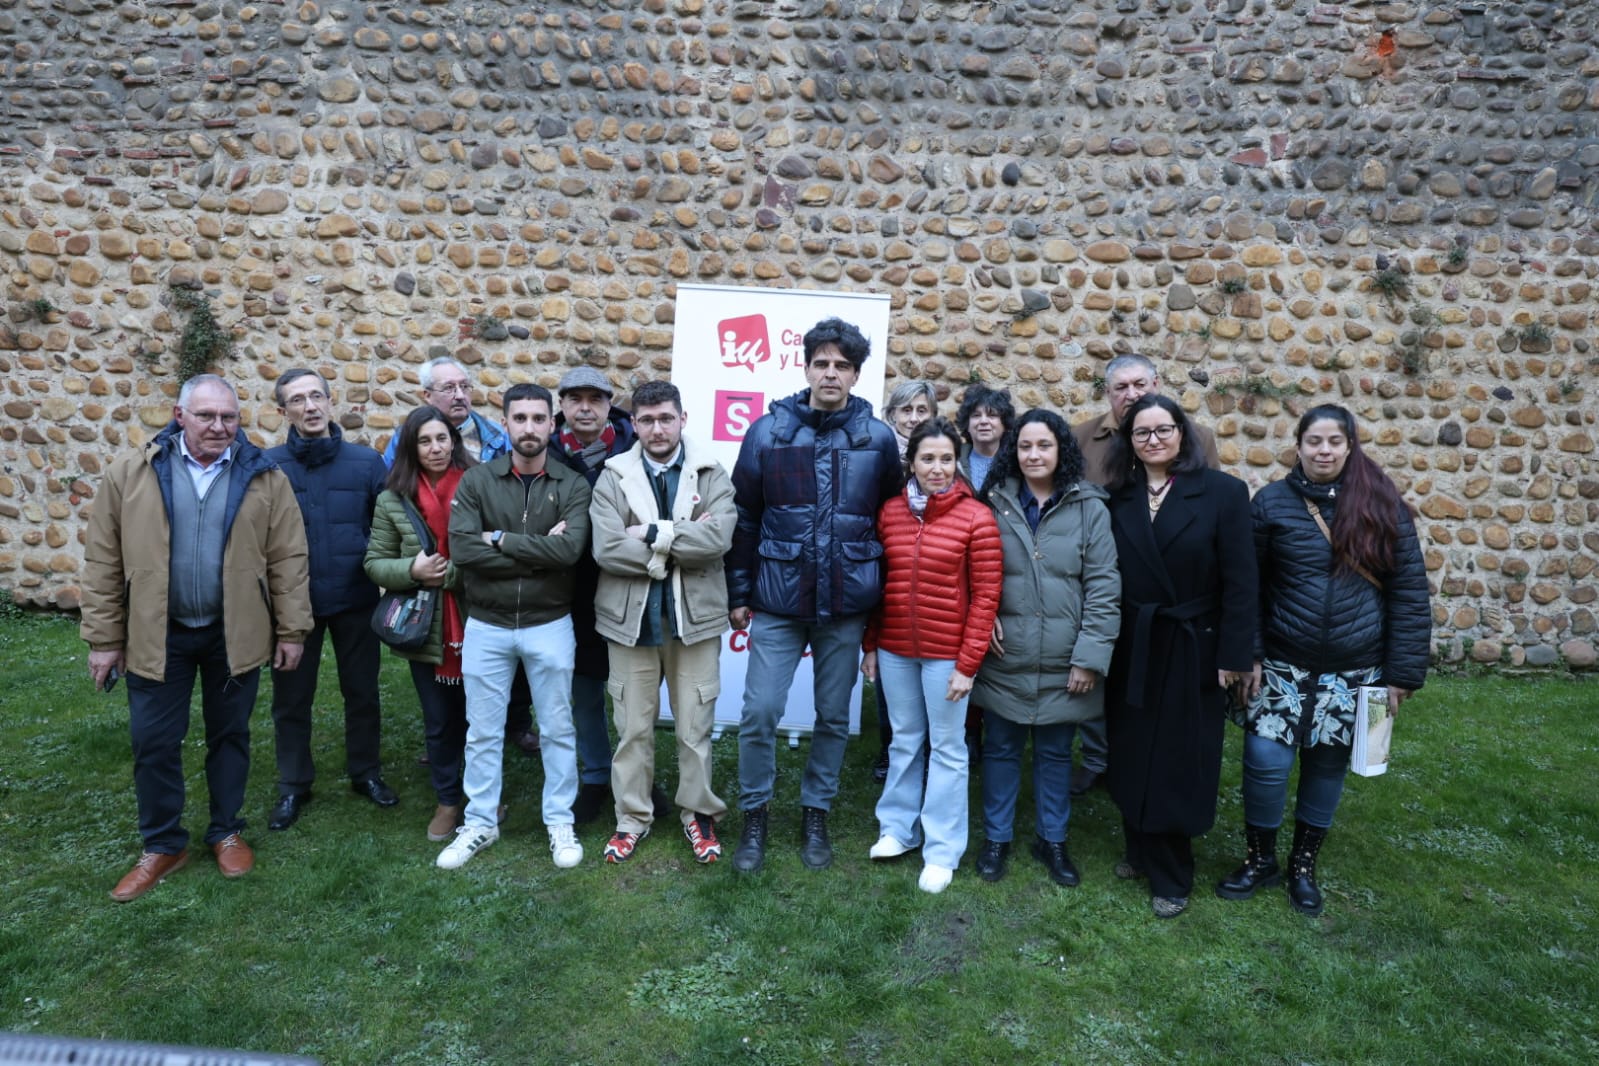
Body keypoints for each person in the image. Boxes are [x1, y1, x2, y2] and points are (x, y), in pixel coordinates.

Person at [81, 374, 311, 901]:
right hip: (155, 635)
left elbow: (289, 559)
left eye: (228, 417)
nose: (218, 426)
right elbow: (102, 561)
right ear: (179, 415)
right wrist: (103, 638)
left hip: (235, 635)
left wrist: (293, 628)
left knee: (230, 736)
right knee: (153, 742)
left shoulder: (264, 477)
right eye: (206, 415)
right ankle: (163, 844)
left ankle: (225, 830)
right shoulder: (131, 474)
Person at [1218, 404, 1429, 916]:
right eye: (1314, 441)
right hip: (1283, 665)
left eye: (1335, 441)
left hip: (1354, 670)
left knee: (1326, 769)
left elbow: (1409, 594)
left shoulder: (1383, 507)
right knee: (1265, 765)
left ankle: (1303, 867)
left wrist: (1401, 676)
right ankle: (1260, 859)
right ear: (1299, 445)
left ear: (1350, 446)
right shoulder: (1271, 504)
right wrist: (1249, 653)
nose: (1324, 450)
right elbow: (1249, 588)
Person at [726, 316, 903, 873]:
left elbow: (888, 516)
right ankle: (755, 813)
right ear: (805, 367)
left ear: (855, 375)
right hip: (777, 599)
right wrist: (739, 591)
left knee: (832, 715)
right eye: (821, 363)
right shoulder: (768, 431)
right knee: (758, 712)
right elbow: (745, 516)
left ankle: (815, 811)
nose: (831, 373)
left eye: (842, 365)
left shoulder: (876, 438)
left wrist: (879, 604)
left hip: (846, 602)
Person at [1101, 394, 1257, 919]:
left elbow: (1241, 583)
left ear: (1182, 434)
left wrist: (1235, 655)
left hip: (1195, 645)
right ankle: (1139, 849)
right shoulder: (1117, 496)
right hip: (1134, 642)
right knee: (1130, 747)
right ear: (1129, 442)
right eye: (1141, 433)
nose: (1153, 440)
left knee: (1177, 759)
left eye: (1163, 429)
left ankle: (1173, 872)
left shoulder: (1224, 493)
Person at [438, 384, 593, 870]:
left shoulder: (572, 485)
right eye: (520, 418)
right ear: (505, 423)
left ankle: (558, 819)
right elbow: (463, 553)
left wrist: (501, 538)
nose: (529, 427)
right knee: (481, 730)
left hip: (550, 623)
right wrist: (536, 552)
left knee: (557, 726)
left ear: (553, 424)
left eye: (538, 418)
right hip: (487, 622)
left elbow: (569, 553)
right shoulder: (478, 482)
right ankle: (480, 822)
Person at [969, 410, 1121, 888]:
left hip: (1064, 659)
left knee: (1056, 752)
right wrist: (982, 615)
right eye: (1025, 446)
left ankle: (1052, 839)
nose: (1033, 455)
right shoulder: (991, 504)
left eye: (1044, 446)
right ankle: (997, 838)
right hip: (1004, 653)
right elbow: (969, 570)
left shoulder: (1089, 507)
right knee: (1001, 749)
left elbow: (1103, 585)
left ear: (1061, 451)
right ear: (1014, 452)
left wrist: (1089, 656)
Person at [589, 380, 736, 864]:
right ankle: (632, 818)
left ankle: (698, 815)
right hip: (630, 622)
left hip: (693, 620)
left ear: (682, 419)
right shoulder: (613, 475)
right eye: (647, 420)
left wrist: (652, 534)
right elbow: (608, 547)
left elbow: (718, 539)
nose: (657, 428)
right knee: (632, 727)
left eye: (665, 418)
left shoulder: (710, 471)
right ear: (634, 424)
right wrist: (676, 546)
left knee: (695, 727)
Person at [1069, 354, 1222, 798]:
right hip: (1100, 581)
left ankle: (1146, 759)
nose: (1131, 394)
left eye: (1139, 384)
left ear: (1157, 382)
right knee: (1100, 676)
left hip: (1168, 589)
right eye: (1120, 388)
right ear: (1107, 394)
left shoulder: (1197, 438)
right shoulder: (1082, 438)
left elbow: (1211, 509)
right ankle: (1100, 758)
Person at [862, 417, 1002, 894]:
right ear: (912, 463)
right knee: (904, 740)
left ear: (957, 462)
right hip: (896, 649)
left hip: (947, 655)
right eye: (928, 459)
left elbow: (986, 597)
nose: (937, 468)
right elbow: (879, 587)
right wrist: (872, 646)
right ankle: (897, 830)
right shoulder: (890, 513)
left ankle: (941, 850)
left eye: (946, 459)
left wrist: (968, 665)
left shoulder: (976, 517)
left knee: (947, 749)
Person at [381, 358, 537, 758]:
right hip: (427, 600)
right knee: (442, 702)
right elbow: (392, 533)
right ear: (427, 396)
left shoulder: (494, 440)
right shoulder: (399, 466)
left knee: (502, 676)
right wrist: (412, 569)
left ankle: (510, 728)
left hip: (479, 589)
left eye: (464, 386)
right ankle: (447, 750)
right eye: (448, 388)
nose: (459, 394)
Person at [264, 369, 395, 831]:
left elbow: (387, 529)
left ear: (330, 400)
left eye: (317, 395)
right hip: (292, 608)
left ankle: (365, 772)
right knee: (291, 700)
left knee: (361, 693)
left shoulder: (366, 464)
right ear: (284, 412)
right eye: (298, 400)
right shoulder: (267, 465)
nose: (311, 407)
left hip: (356, 600)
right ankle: (294, 786)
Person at [551, 366, 666, 824]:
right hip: (568, 592)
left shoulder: (638, 450)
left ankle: (638, 775)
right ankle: (598, 774)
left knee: (635, 694)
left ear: (609, 403)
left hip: (630, 587)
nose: (584, 407)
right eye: (575, 398)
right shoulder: (547, 453)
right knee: (584, 689)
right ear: (561, 404)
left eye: (594, 399)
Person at [364, 406, 477, 843]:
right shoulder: (393, 499)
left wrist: (447, 575)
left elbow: (494, 555)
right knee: (439, 721)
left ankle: (484, 799)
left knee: (482, 720)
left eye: (442, 439)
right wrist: (411, 570)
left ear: (454, 441)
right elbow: (374, 563)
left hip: (478, 620)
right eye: (425, 441)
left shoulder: (478, 485)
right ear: (412, 447)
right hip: (423, 627)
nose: (436, 448)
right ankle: (448, 800)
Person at [870, 379, 939, 784]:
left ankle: (929, 750)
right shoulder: (878, 457)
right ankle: (888, 747)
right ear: (892, 414)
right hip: (887, 567)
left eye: (921, 410)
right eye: (906, 410)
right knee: (888, 672)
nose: (913, 417)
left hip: (931, 577)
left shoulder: (945, 459)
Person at [956, 385, 1015, 495]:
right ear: (967, 424)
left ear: (1004, 424)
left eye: (992, 415)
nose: (983, 421)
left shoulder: (1015, 463)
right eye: (976, 415)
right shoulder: (954, 462)